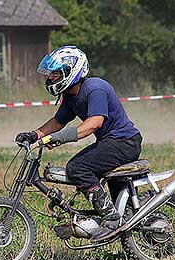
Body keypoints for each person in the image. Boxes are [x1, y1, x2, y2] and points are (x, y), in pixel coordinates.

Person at [15, 46, 142, 242]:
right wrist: (35, 135)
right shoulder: (71, 95)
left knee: (77, 168)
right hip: (112, 143)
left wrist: (61, 138)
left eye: (56, 74)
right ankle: (111, 215)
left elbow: (94, 123)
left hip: (124, 142)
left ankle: (110, 217)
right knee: (84, 170)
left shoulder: (95, 88)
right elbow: (58, 121)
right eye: (51, 74)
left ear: (72, 71)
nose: (51, 78)